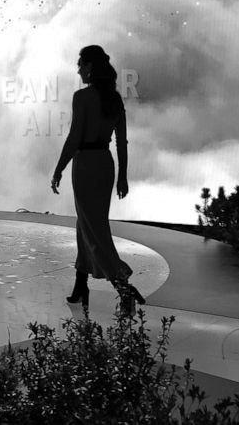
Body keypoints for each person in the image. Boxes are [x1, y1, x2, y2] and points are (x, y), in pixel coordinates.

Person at [51, 45, 145, 316]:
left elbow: (74, 138)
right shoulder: (115, 100)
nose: (78, 69)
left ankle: (123, 287)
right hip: (105, 165)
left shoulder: (81, 97)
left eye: (80, 64)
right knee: (87, 224)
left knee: (93, 229)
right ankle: (81, 286)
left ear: (90, 66)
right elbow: (122, 142)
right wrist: (123, 175)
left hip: (85, 166)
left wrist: (58, 169)